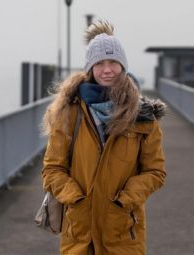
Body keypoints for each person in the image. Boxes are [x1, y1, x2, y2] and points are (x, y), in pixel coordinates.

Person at [40, 20, 166, 255]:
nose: (107, 70)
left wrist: (125, 199)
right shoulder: (69, 112)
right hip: (80, 231)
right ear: (90, 68)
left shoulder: (143, 116)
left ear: (123, 66)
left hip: (123, 231)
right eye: (99, 63)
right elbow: (52, 169)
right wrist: (76, 198)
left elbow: (155, 172)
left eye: (113, 63)